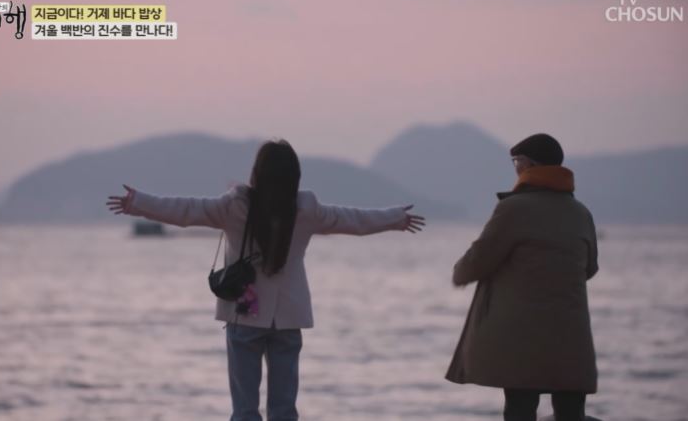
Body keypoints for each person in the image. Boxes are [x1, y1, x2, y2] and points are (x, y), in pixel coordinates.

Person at [106, 139, 425, 421]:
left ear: (257, 173)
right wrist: (394, 218)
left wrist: (139, 203)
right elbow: (353, 220)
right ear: (294, 177)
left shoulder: (234, 207)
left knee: (244, 412)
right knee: (284, 412)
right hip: (288, 318)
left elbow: (187, 210)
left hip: (244, 315)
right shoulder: (306, 210)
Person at [445, 133, 599, 421]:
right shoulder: (581, 213)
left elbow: (477, 261)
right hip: (571, 331)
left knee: (520, 407)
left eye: (516, 162)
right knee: (571, 410)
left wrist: (459, 273)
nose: (515, 168)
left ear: (529, 165)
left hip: (523, 332)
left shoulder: (514, 208)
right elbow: (590, 268)